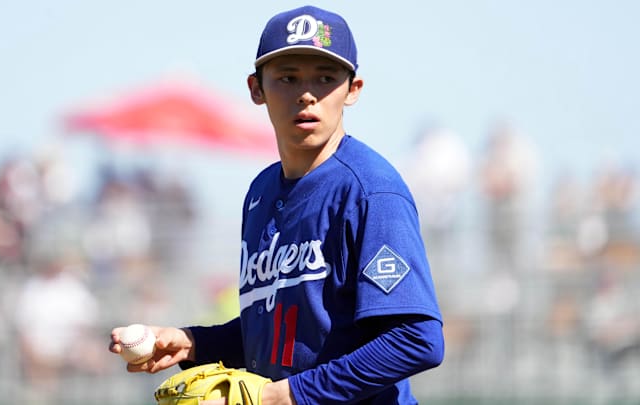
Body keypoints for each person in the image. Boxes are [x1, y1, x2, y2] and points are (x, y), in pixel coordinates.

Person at [109, 5, 444, 404]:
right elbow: (280, 331)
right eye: (287, 77)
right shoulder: (260, 192)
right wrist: (193, 342)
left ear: (353, 90)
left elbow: (417, 339)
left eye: (325, 78)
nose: (307, 94)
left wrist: (290, 395)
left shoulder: (370, 191)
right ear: (256, 88)